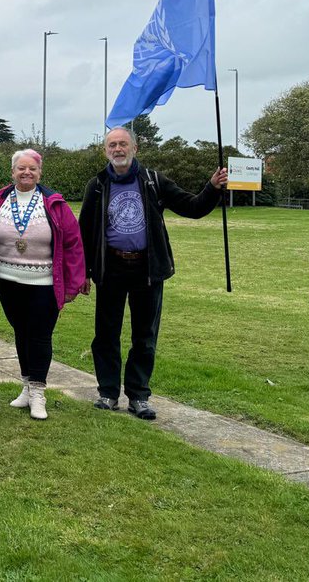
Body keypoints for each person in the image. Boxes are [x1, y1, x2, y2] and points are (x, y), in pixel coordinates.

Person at [81, 126, 228, 420]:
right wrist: (83, 271)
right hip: (111, 269)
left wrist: (212, 187)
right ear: (106, 151)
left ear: (135, 148)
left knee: (145, 336)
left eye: (123, 144)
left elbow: (192, 207)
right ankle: (108, 393)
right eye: (112, 145)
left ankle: (139, 396)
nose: (118, 149)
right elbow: (85, 231)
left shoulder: (153, 181)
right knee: (106, 334)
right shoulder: (96, 185)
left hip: (146, 269)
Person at [0, 149, 88, 420]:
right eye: (21, 168)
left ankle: (38, 393)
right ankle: (26, 386)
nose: (26, 173)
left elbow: (73, 244)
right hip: (7, 281)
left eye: (32, 169)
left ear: (40, 173)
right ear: (12, 172)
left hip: (43, 283)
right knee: (21, 333)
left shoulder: (55, 203)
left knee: (39, 335)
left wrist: (74, 284)